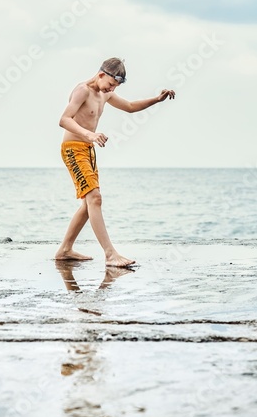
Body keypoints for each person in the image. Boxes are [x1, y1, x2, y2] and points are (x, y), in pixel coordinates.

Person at [55, 57, 175, 267]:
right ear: (101, 74)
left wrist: (157, 99)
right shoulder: (82, 90)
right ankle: (110, 255)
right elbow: (64, 119)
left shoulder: (105, 93)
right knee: (95, 199)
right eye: (111, 84)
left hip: (88, 151)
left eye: (115, 87)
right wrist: (88, 134)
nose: (111, 90)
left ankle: (65, 250)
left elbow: (129, 106)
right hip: (73, 149)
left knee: (88, 204)